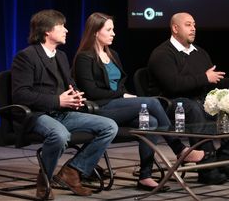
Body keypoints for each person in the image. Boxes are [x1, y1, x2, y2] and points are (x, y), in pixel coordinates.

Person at [72, 12, 205, 192]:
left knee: (151, 122)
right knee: (152, 103)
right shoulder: (84, 57)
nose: (113, 33)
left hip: (117, 107)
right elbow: (91, 92)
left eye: (113, 30)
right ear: (96, 32)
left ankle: (145, 176)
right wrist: (123, 96)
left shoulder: (113, 55)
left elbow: (120, 86)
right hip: (98, 109)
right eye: (109, 30)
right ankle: (179, 148)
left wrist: (125, 96)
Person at [11, 9, 118, 199]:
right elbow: (21, 94)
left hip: (62, 113)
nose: (66, 30)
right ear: (47, 31)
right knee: (60, 134)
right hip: (37, 115)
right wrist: (57, 100)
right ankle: (44, 180)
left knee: (109, 126)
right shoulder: (26, 56)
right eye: (61, 26)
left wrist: (76, 97)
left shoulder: (60, 56)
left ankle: (72, 171)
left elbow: (69, 83)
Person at [147, 12, 229, 185]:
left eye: (194, 25)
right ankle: (207, 167)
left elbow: (210, 82)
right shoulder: (162, 54)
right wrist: (204, 78)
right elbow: (173, 85)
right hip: (172, 105)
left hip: (199, 103)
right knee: (192, 107)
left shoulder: (199, 53)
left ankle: (226, 162)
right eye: (188, 25)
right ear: (175, 28)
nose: (193, 28)